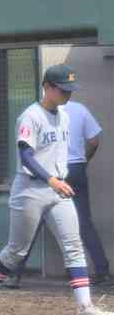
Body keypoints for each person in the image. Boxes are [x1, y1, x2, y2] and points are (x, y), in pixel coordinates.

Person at [0, 65, 114, 315]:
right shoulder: (31, 116)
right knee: (16, 251)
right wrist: (51, 179)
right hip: (30, 189)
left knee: (73, 245)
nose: (67, 95)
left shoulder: (64, 115)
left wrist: (57, 180)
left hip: (58, 187)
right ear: (47, 86)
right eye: (63, 90)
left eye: (70, 90)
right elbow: (26, 155)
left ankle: (85, 307)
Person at [63, 100, 108, 286]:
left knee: (37, 218)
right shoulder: (79, 109)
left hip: (52, 171)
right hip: (77, 167)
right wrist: (83, 159)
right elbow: (94, 141)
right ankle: (102, 271)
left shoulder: (40, 111)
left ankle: (13, 273)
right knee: (83, 221)